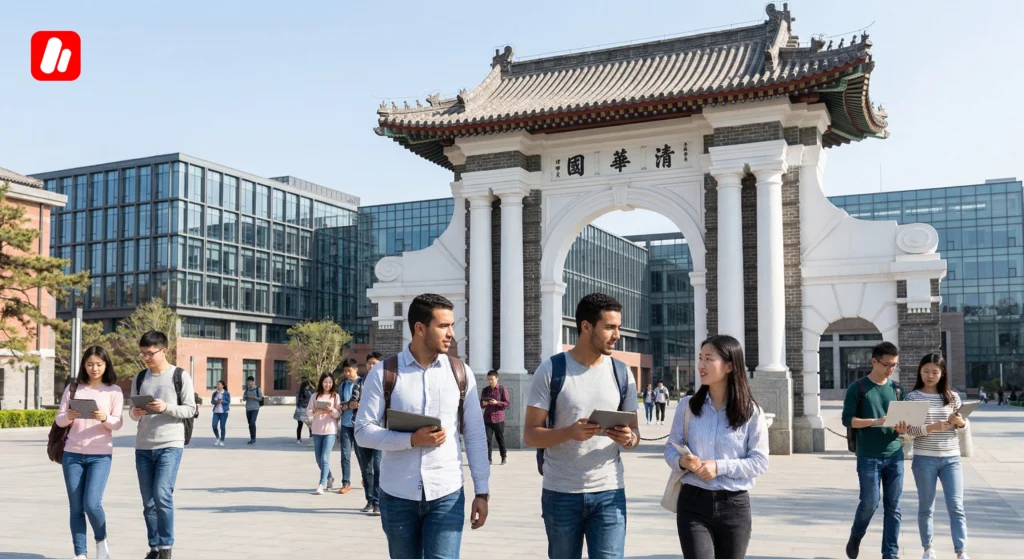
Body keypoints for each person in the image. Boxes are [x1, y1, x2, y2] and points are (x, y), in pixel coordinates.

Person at [355, 293, 490, 558]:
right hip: (397, 494)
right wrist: (411, 439)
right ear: (419, 328)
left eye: (451, 325)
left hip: (447, 493)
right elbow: (362, 432)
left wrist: (482, 491)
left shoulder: (461, 373)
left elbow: (474, 434)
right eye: (443, 326)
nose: (451, 333)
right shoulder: (384, 373)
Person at [525, 292, 640, 559]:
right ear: (586, 326)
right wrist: (569, 433)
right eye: (610, 327)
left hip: (609, 493)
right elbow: (530, 435)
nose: (617, 335)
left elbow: (635, 437)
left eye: (618, 327)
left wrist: (627, 439)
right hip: (561, 493)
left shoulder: (622, 373)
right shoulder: (552, 370)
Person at [664, 335, 769, 559]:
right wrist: (682, 461)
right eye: (700, 358)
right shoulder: (688, 406)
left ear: (729, 365)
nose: (701, 365)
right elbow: (671, 448)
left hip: (735, 506)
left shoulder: (751, 412)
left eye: (709, 359)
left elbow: (759, 462)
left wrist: (718, 467)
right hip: (693, 502)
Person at [130, 330, 196, 559]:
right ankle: (155, 547)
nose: (146, 357)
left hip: (170, 443)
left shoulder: (180, 375)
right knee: (148, 501)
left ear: (164, 350)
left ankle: (166, 546)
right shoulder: (139, 378)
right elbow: (132, 413)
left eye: (150, 353)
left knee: (162, 494)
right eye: (143, 354)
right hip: (143, 445)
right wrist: (136, 412)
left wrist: (165, 407)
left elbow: (190, 409)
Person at [842, 341, 910, 559]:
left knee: (894, 507)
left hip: (895, 455)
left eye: (894, 365)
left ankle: (890, 553)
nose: (891, 369)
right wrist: (875, 421)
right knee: (870, 503)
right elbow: (848, 420)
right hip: (868, 456)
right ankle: (856, 535)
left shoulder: (898, 390)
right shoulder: (858, 388)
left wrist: (903, 427)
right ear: (874, 361)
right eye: (887, 364)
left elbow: (905, 421)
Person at [55, 345, 124, 559]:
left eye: (99, 364)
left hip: (100, 455)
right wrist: (70, 416)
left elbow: (117, 423)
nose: (94, 368)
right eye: (90, 364)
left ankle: (101, 540)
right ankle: (80, 554)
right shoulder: (73, 388)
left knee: (92, 504)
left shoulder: (114, 391)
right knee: (76, 507)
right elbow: (59, 419)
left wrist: (104, 418)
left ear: (106, 365)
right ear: (84, 365)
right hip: (72, 454)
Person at [905, 353, 970, 559]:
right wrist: (933, 427)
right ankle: (928, 549)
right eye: (926, 371)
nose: (930, 375)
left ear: (943, 374)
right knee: (926, 506)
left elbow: (963, 427)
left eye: (935, 372)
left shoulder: (953, 397)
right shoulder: (913, 397)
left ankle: (961, 552)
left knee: (956, 506)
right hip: (924, 458)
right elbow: (908, 432)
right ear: (920, 372)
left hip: (951, 458)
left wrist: (960, 422)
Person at [352, 351, 383, 515]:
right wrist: (353, 403)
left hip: (379, 430)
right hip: (362, 429)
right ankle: (370, 499)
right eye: (369, 363)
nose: (371, 366)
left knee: (378, 466)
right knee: (366, 468)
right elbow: (353, 400)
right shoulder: (359, 382)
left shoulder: (386, 383)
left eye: (375, 363)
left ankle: (378, 501)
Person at [306, 372, 341, 494]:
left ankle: (321, 484)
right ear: (321, 382)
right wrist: (315, 411)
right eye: (325, 382)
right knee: (318, 459)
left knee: (325, 458)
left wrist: (331, 410)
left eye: (330, 382)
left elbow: (338, 414)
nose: (327, 384)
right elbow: (308, 412)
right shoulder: (315, 396)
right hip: (316, 430)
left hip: (330, 430)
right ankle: (330, 476)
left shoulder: (335, 396)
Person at [336, 358, 360, 495]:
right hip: (345, 424)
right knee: (345, 455)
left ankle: (365, 478)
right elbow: (340, 403)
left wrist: (354, 404)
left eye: (349, 371)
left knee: (360, 454)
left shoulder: (363, 382)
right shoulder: (343, 385)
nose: (347, 373)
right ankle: (346, 482)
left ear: (356, 369)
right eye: (345, 371)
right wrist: (344, 406)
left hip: (359, 424)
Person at [481, 370, 511, 465]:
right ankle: (488, 459)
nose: (490, 381)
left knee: (500, 439)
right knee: (487, 440)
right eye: (488, 379)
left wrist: (497, 402)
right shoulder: (485, 390)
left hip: (499, 418)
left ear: (497, 378)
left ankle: (503, 457)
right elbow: (481, 404)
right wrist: (484, 403)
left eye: (492, 379)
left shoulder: (502, 389)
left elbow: (507, 403)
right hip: (487, 418)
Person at [241, 376, 264, 445]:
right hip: (248, 408)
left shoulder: (257, 389)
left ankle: (253, 438)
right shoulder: (247, 389)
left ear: (253, 382)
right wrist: (245, 398)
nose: (249, 383)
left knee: (252, 422)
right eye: (248, 382)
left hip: (255, 408)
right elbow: (244, 397)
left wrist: (254, 397)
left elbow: (261, 398)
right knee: (250, 424)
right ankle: (251, 437)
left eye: (250, 381)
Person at [210, 380, 230, 446]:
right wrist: (216, 401)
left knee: (222, 427)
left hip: (223, 412)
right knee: (214, 426)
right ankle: (217, 438)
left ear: (222, 386)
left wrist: (222, 401)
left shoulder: (226, 393)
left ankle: (222, 440)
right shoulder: (215, 393)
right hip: (216, 412)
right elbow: (212, 402)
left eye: (219, 384)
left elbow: (228, 402)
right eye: (217, 384)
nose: (217, 385)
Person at [294, 379, 313, 445]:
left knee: (299, 426)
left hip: (299, 411)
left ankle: (298, 439)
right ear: (307, 386)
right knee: (310, 425)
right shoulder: (309, 392)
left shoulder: (298, 393)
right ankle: (311, 438)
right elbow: (311, 402)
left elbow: (296, 402)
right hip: (307, 411)